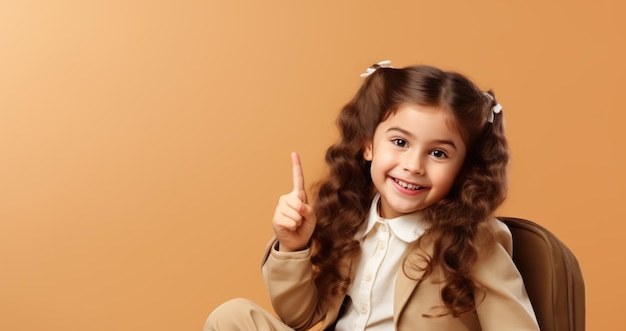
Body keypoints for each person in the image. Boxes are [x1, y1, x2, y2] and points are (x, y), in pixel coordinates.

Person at [204, 61, 539, 331]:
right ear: (367, 145)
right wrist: (294, 247)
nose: (413, 166)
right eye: (400, 142)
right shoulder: (352, 219)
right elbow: (300, 319)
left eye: (438, 154)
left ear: (463, 168)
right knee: (232, 316)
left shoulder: (471, 240)